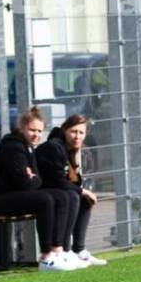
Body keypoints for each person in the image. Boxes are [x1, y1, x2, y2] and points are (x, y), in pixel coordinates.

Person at [0, 106, 79, 271]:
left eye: (39, 131)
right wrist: (32, 178)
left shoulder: (29, 147)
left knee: (63, 196)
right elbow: (24, 185)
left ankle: (60, 251)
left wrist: (33, 177)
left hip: (11, 194)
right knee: (44, 199)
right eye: (32, 130)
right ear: (22, 128)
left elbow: (36, 180)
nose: (36, 134)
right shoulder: (13, 147)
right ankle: (46, 257)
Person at [36, 114, 107, 267]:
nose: (77, 136)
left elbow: (73, 181)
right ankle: (64, 251)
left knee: (83, 199)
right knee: (73, 195)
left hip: (55, 191)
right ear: (65, 130)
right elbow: (58, 180)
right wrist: (82, 191)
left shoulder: (69, 149)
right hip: (42, 192)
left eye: (81, 133)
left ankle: (79, 251)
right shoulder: (54, 147)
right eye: (73, 131)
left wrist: (81, 188)